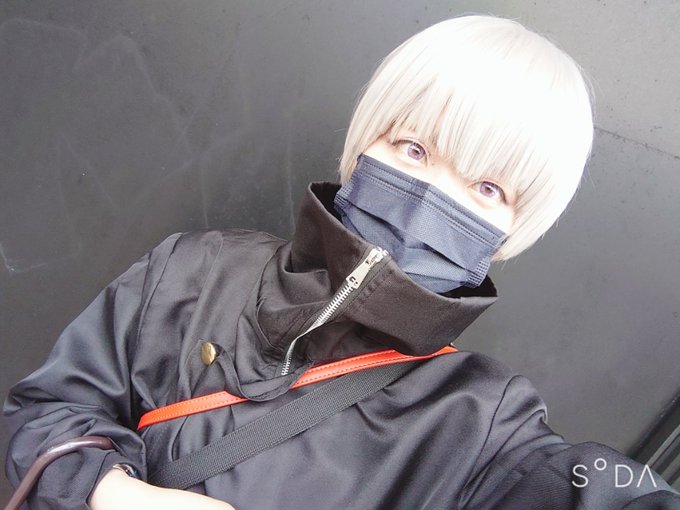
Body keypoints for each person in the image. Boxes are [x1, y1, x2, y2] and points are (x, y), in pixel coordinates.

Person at [4, 14, 679, 510]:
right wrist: (112, 493)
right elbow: (43, 410)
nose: (431, 200)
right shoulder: (190, 270)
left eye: (486, 189)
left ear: (512, 231)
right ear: (362, 147)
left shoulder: (482, 427)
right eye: (415, 149)